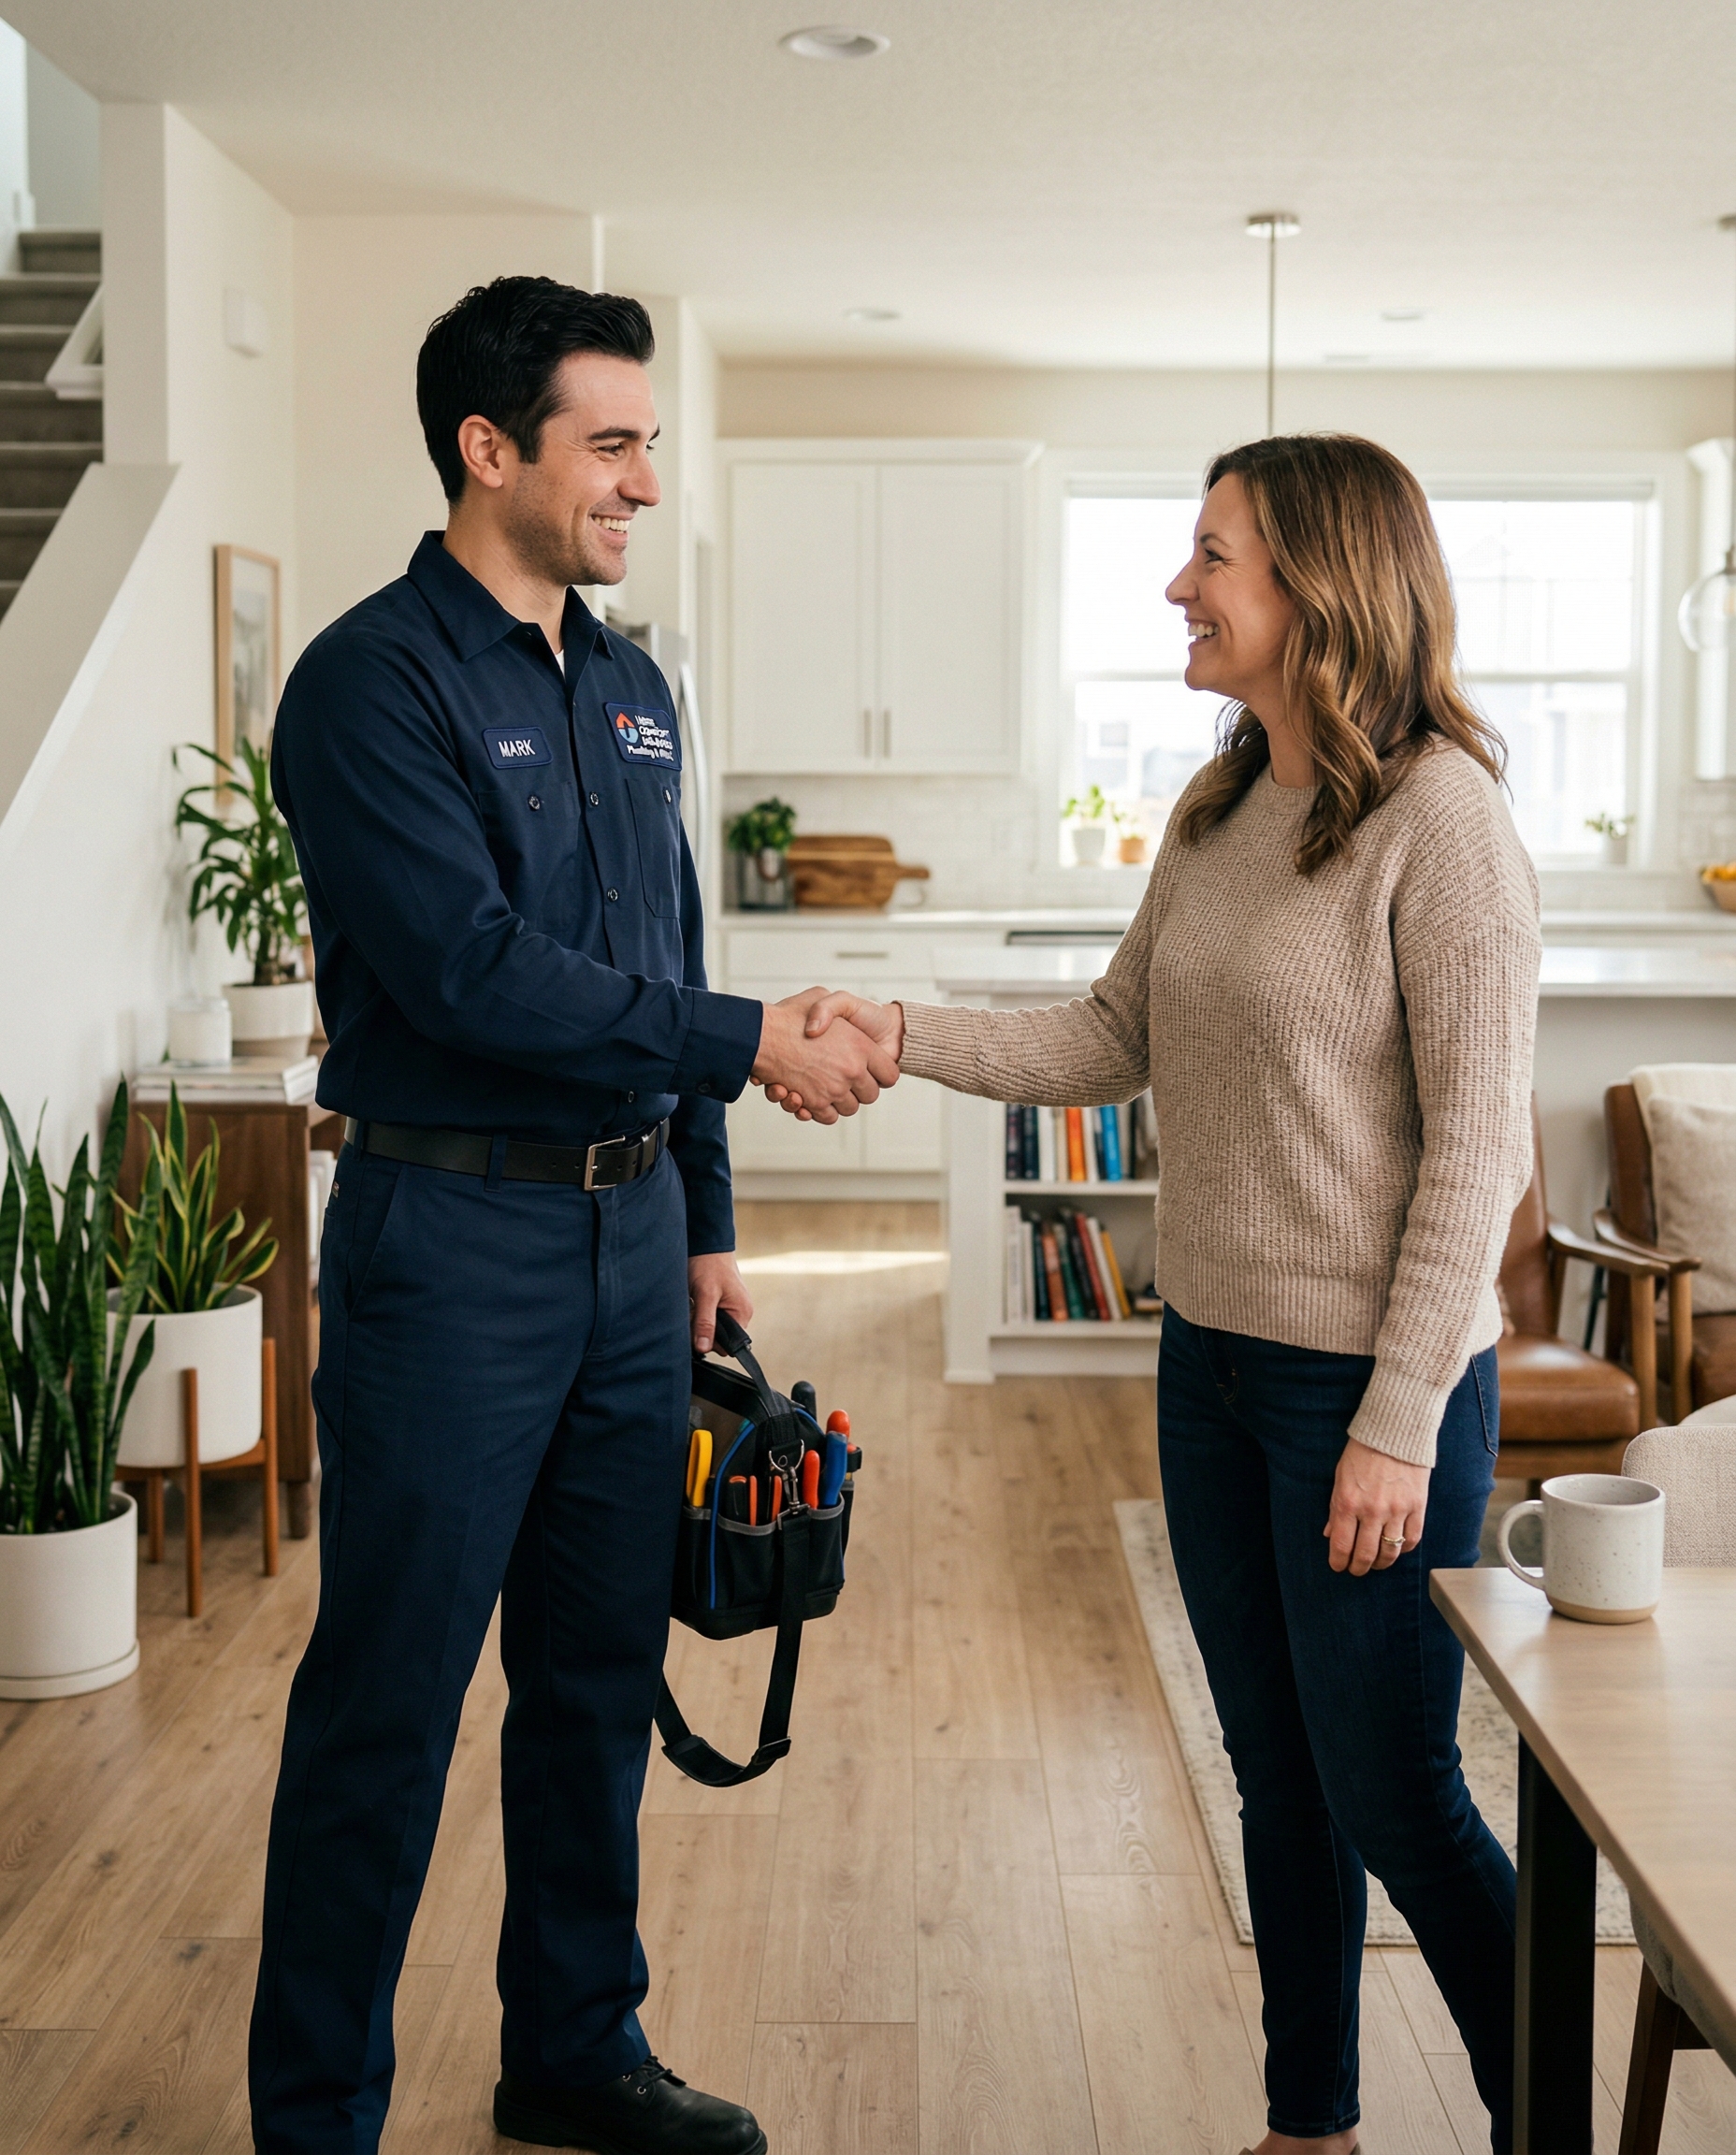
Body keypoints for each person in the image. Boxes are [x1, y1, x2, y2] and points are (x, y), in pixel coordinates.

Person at [781, 434, 1540, 2153]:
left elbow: (1478, 1153)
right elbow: (1109, 1034)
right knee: (1276, 1770)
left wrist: (1398, 1422)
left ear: (1320, 585)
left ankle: (1543, 2114)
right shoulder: (1219, 808)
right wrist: (902, 1031)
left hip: (1363, 1393)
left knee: (1398, 1795)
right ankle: (1310, 2123)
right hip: (1209, 1366)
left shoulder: (1445, 822)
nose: (1179, 586)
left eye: (1214, 555)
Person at [250, 276, 897, 2155]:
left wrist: (703, 1217)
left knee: (598, 1673)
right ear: (488, 448)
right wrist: (748, 1045)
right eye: (610, 444)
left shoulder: (629, 687)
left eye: (646, 444)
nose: (643, 481)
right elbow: (469, 974)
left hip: (629, 1255)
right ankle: (317, 2120)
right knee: (388, 1704)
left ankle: (574, 2051)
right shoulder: (370, 682)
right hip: (447, 1249)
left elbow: (659, 952)